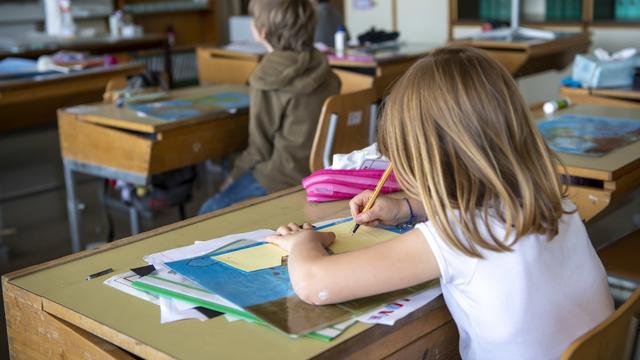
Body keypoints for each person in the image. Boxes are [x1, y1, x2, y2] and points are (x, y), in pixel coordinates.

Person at [265, 47, 614, 359]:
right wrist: (409, 209)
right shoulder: (556, 204)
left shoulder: (457, 238)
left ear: (427, 160)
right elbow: (481, 207)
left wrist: (303, 242)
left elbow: (314, 283)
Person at [199, 0, 340, 215]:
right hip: (321, 173)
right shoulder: (327, 72)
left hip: (282, 179)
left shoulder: (265, 78)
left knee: (207, 211)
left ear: (262, 32)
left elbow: (259, 150)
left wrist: (231, 177)